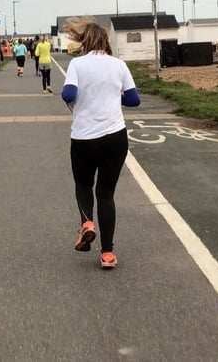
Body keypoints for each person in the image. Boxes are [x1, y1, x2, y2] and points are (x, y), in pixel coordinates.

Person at [61, 17, 140, 269]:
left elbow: (68, 94)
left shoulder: (77, 64)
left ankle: (86, 223)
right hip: (115, 137)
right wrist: (113, 98)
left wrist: (84, 98)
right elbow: (134, 99)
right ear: (106, 41)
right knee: (106, 194)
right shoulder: (119, 65)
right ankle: (107, 254)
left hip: (84, 137)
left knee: (83, 184)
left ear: (85, 41)